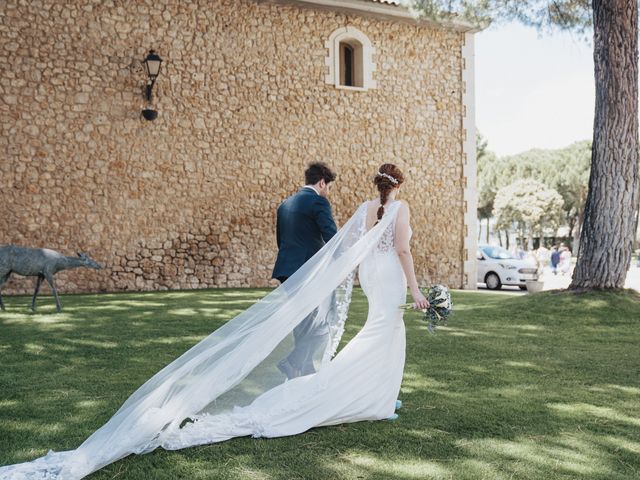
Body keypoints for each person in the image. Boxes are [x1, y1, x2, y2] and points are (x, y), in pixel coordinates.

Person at [0, 164, 429, 480]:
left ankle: (328, 379)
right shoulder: (351, 205)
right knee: (344, 330)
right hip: (355, 274)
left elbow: (330, 241)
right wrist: (402, 286)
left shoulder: (307, 203)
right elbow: (370, 245)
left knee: (332, 329)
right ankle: (327, 382)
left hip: (318, 273)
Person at [272, 162, 338, 379]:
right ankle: (292, 362)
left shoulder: (285, 204)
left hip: (286, 270)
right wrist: (344, 261)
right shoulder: (318, 202)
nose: (327, 191)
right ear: (321, 182)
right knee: (321, 323)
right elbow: (332, 237)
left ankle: (303, 371)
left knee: (302, 322)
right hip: (310, 272)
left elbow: (281, 240)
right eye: (328, 186)